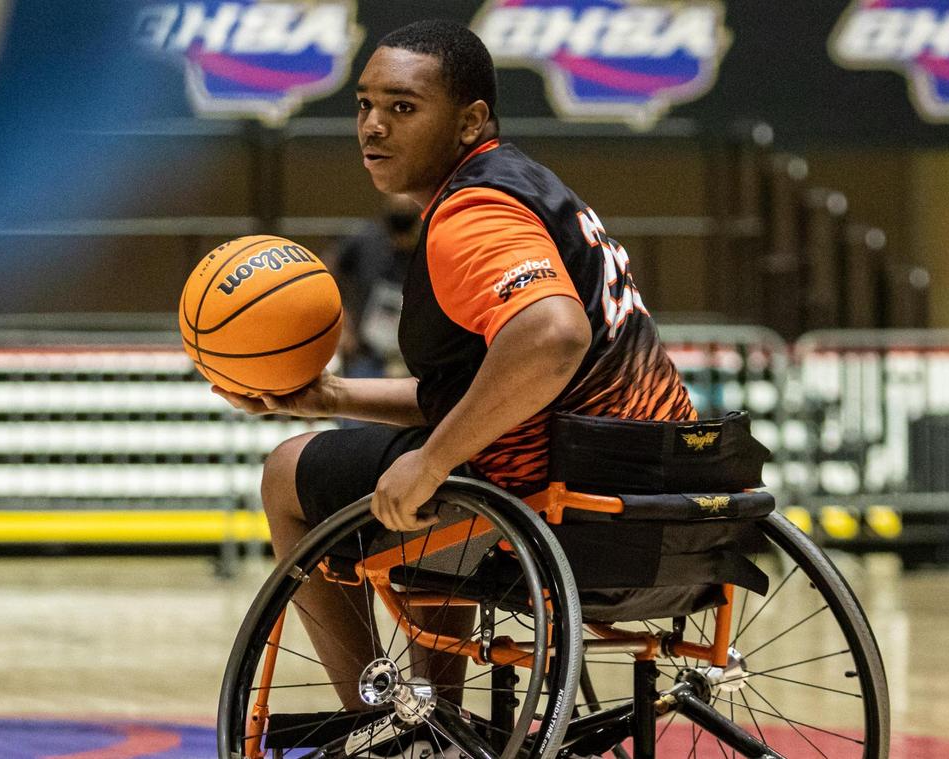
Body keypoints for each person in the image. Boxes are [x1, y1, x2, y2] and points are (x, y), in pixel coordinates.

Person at [213, 19, 696, 709]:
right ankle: (435, 719)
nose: (372, 127)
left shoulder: (472, 213)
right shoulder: (526, 186)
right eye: (364, 105)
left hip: (562, 507)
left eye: (402, 107)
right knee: (425, 471)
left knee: (291, 472)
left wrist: (433, 460)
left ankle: (375, 718)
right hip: (655, 494)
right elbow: (488, 393)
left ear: (470, 121)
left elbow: (553, 338)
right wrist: (328, 396)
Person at [333, 193, 421, 381]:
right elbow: (327, 272)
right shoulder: (365, 239)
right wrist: (343, 323)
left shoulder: (431, 243)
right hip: (366, 353)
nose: (402, 201)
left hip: (414, 358)